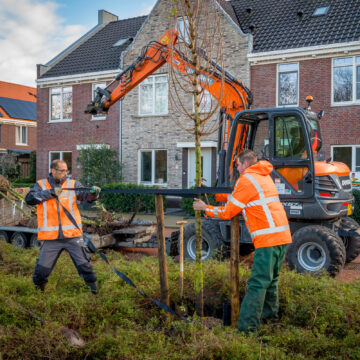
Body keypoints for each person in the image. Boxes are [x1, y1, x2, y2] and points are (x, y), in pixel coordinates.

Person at [193, 149, 292, 333]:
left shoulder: (246, 180)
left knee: (257, 284)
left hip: (267, 239)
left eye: (237, 165)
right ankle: (270, 321)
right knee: (271, 281)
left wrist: (205, 208)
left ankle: (247, 330)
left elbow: (228, 212)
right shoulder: (264, 176)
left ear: (245, 164)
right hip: (282, 236)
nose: (237, 168)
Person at [26, 159, 101, 294]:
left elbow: (85, 196)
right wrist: (50, 193)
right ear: (53, 170)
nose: (65, 173)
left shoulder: (73, 184)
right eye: (62, 171)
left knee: (86, 268)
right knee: (41, 272)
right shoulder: (40, 185)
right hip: (51, 239)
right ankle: (38, 295)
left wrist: (93, 194)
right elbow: (29, 199)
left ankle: (95, 295)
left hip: (72, 236)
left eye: (67, 170)